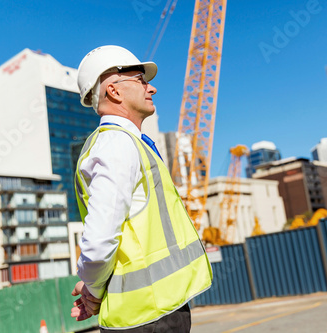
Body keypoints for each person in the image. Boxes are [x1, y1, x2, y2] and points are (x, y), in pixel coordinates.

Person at [70, 45, 213, 332]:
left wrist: (93, 286)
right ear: (114, 91)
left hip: (152, 312)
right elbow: (98, 244)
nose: (152, 88)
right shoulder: (117, 144)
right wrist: (95, 293)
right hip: (147, 318)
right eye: (141, 80)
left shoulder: (125, 143)